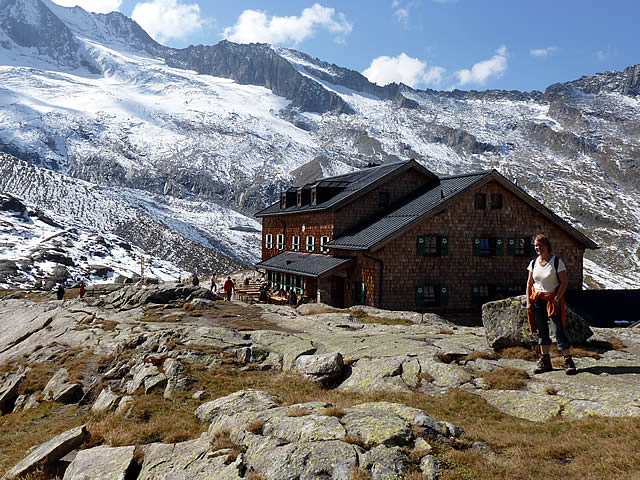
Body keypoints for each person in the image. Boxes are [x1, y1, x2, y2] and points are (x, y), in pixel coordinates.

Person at [526, 234, 576, 375]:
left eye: (540, 245)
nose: (538, 248)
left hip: (552, 301)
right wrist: (529, 302)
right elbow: (530, 284)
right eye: (536, 246)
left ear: (547, 246)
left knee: (558, 330)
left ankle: (568, 360)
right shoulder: (533, 263)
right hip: (537, 300)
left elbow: (564, 282)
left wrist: (557, 298)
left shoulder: (556, 262)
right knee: (542, 331)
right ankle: (545, 360)